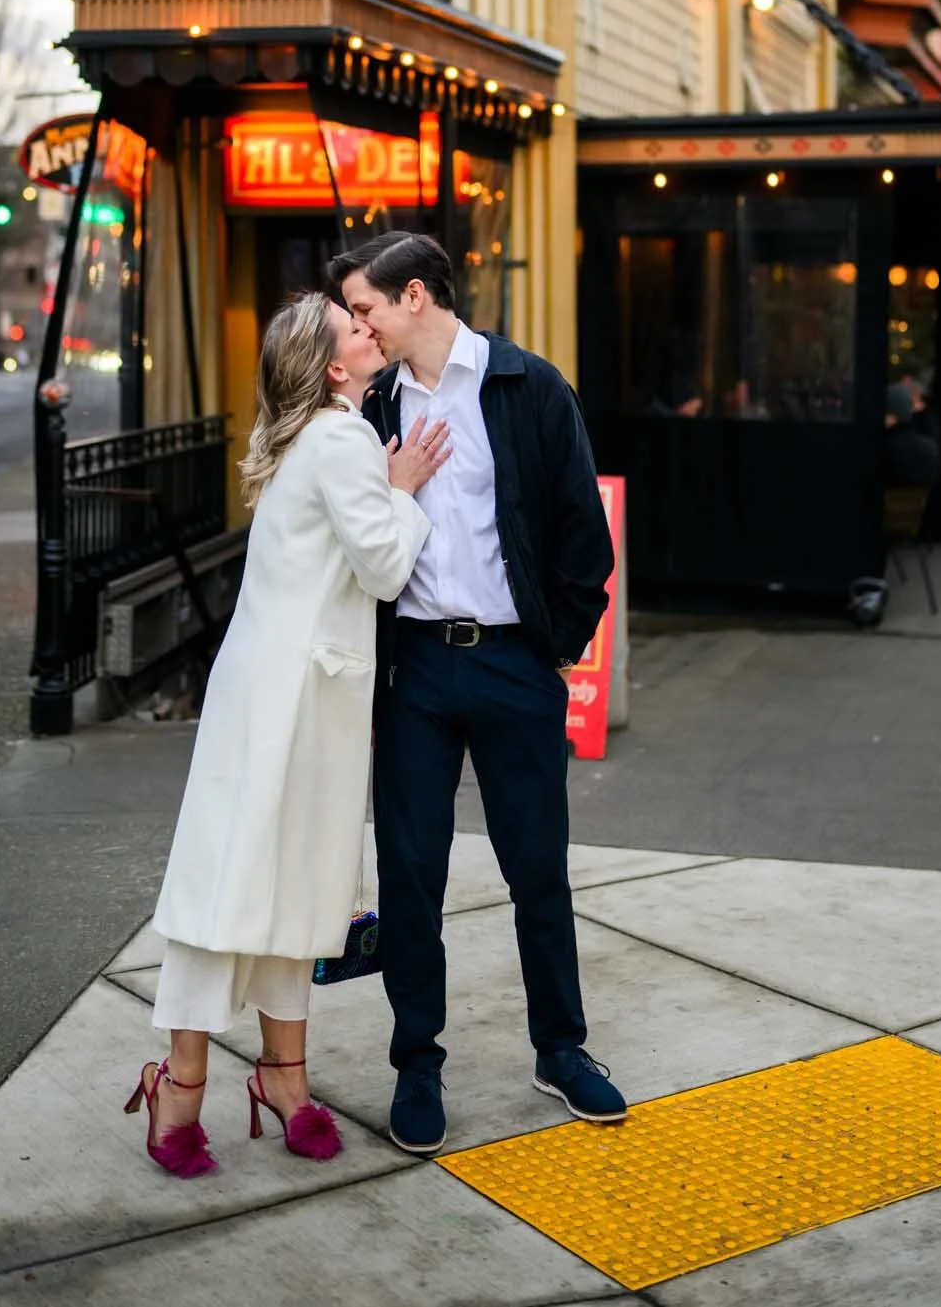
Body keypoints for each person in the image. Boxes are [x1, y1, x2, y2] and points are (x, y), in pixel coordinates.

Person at [131, 291, 450, 1177]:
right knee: (254, 889)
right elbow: (386, 569)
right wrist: (406, 490)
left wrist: (387, 493)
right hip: (298, 704)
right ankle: (186, 1085)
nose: (367, 323)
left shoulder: (303, 439)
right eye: (352, 324)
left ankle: (278, 1080)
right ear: (335, 368)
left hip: (282, 697)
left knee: (265, 886)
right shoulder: (344, 437)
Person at [331, 230, 627, 1155]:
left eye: (366, 307)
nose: (359, 325)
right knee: (413, 875)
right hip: (413, 669)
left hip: (513, 664)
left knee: (536, 867)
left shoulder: (527, 386)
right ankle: (417, 1062)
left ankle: (561, 1048)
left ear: (414, 296)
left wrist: (554, 648)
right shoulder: (371, 403)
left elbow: (585, 537)